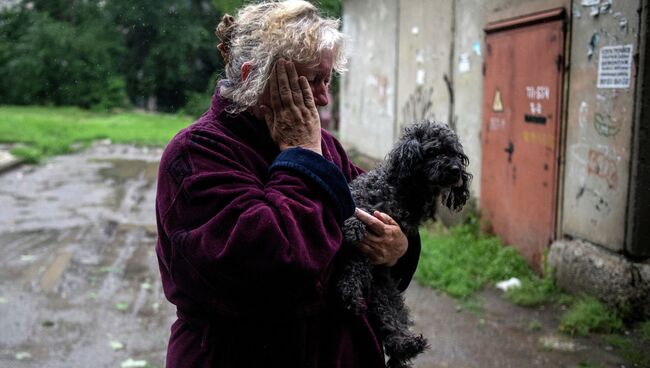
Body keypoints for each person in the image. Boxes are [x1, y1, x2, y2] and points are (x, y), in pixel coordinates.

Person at [155, 1, 421, 366]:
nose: (324, 98)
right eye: (311, 80)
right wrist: (301, 159)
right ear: (253, 78)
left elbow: (378, 211)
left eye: (327, 79)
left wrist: (399, 246)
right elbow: (278, 268)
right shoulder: (195, 155)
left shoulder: (323, 145)